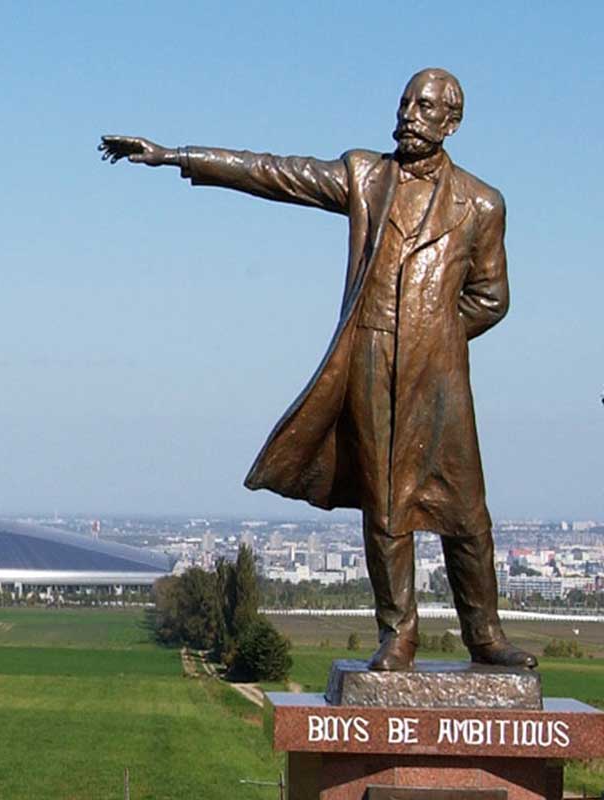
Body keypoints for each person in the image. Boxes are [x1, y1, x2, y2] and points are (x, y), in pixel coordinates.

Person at [100, 68, 536, 670]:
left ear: (451, 122)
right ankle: (398, 634)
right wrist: (176, 155)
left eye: (425, 106)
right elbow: (276, 173)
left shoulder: (482, 204)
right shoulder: (365, 176)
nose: (409, 113)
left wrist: (432, 338)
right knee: (385, 506)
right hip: (368, 363)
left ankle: (485, 636)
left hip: (438, 380)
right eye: (405, 101)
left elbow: (492, 297)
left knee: (465, 510)